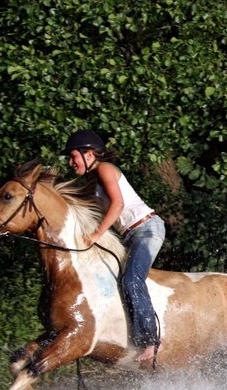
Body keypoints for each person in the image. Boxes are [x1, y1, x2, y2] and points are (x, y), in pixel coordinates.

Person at [62, 130, 166, 362]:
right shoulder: (92, 182)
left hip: (147, 230)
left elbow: (117, 204)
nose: (70, 162)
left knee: (131, 280)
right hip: (131, 236)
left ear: (88, 154)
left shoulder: (105, 169)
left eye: (73, 157)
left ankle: (150, 340)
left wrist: (98, 234)